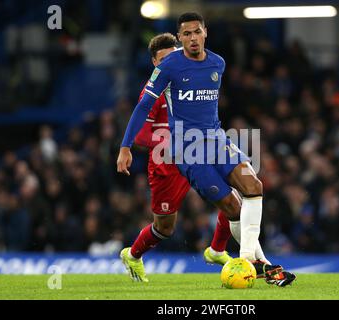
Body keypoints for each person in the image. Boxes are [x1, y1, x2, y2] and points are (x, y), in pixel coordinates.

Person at [118, 13, 295, 286]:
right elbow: (142, 109)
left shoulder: (218, 63)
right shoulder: (167, 70)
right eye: (186, 34)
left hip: (215, 140)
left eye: (196, 32)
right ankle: (242, 258)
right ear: (180, 38)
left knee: (253, 185)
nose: (192, 38)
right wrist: (125, 146)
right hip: (185, 152)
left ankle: (247, 258)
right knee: (193, 219)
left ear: (205, 33)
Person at [118, 33, 233, 282]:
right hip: (166, 163)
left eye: (174, 56)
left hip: (197, 151)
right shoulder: (152, 91)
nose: (170, 63)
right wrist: (169, 141)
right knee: (165, 228)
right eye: (163, 59)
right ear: (154, 63)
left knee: (232, 193)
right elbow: (141, 134)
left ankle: (217, 249)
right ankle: (133, 254)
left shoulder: (190, 80)